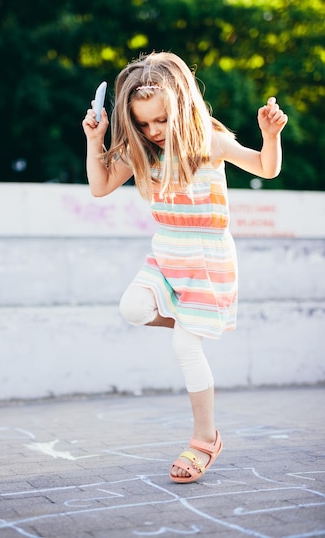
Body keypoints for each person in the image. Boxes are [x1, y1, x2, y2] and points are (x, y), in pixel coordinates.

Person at [82, 51, 288, 484]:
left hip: (207, 261)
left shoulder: (209, 142)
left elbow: (266, 169)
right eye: (142, 124)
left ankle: (204, 439)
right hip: (166, 256)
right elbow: (100, 186)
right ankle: (188, 321)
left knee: (184, 348)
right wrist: (95, 140)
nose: (153, 131)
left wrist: (270, 135)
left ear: (180, 105)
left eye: (160, 120)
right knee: (132, 308)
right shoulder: (142, 153)